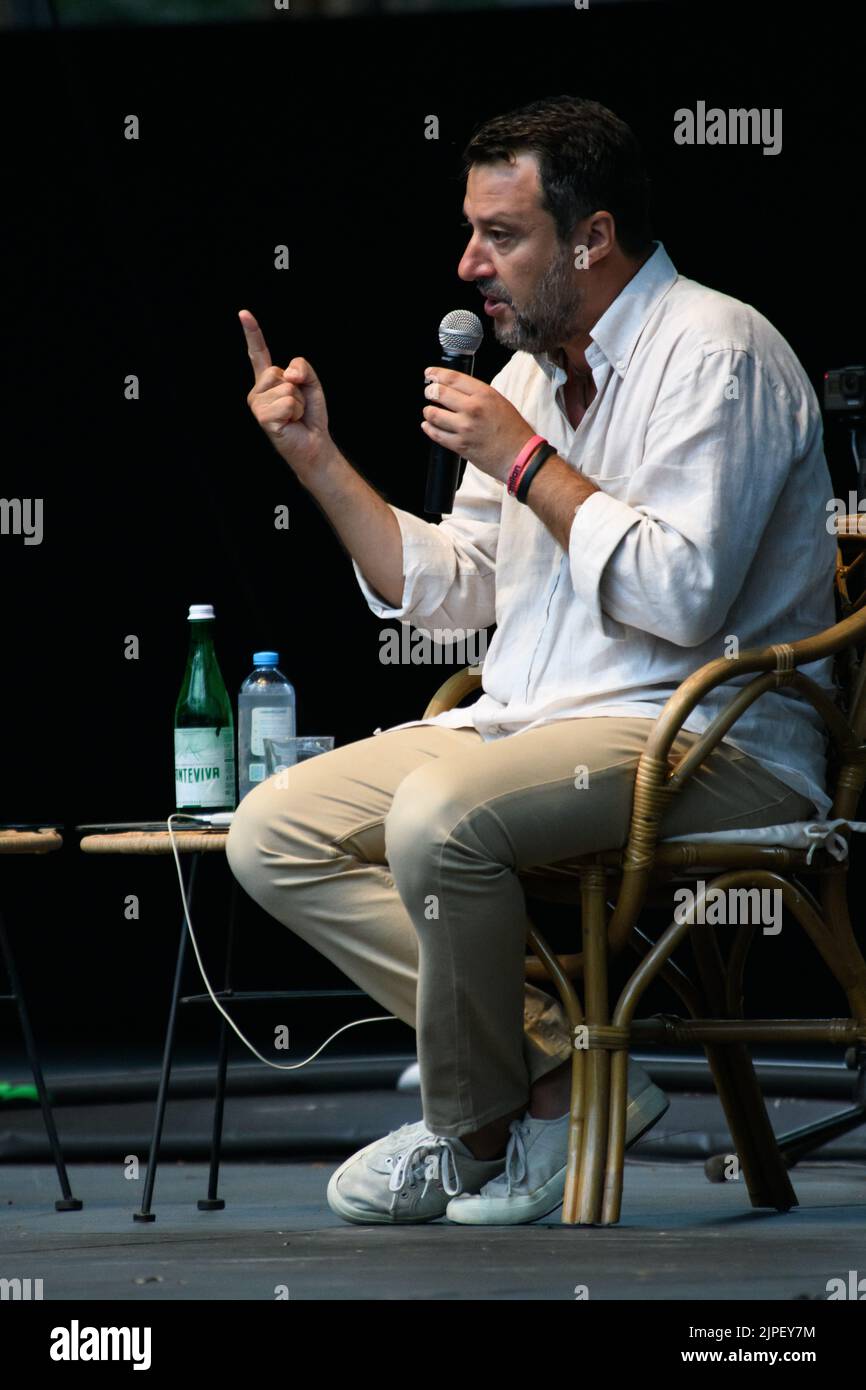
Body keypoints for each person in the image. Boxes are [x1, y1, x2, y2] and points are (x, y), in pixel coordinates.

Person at [226, 94, 836, 1226]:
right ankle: (554, 1081)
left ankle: (467, 1134)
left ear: (591, 238)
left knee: (439, 817)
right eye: (469, 231)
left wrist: (524, 464)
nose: (467, 265)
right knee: (272, 833)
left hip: (706, 733)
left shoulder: (720, 352)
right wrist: (318, 463)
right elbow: (451, 594)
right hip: (539, 726)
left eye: (499, 235)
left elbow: (683, 597)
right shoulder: (528, 378)